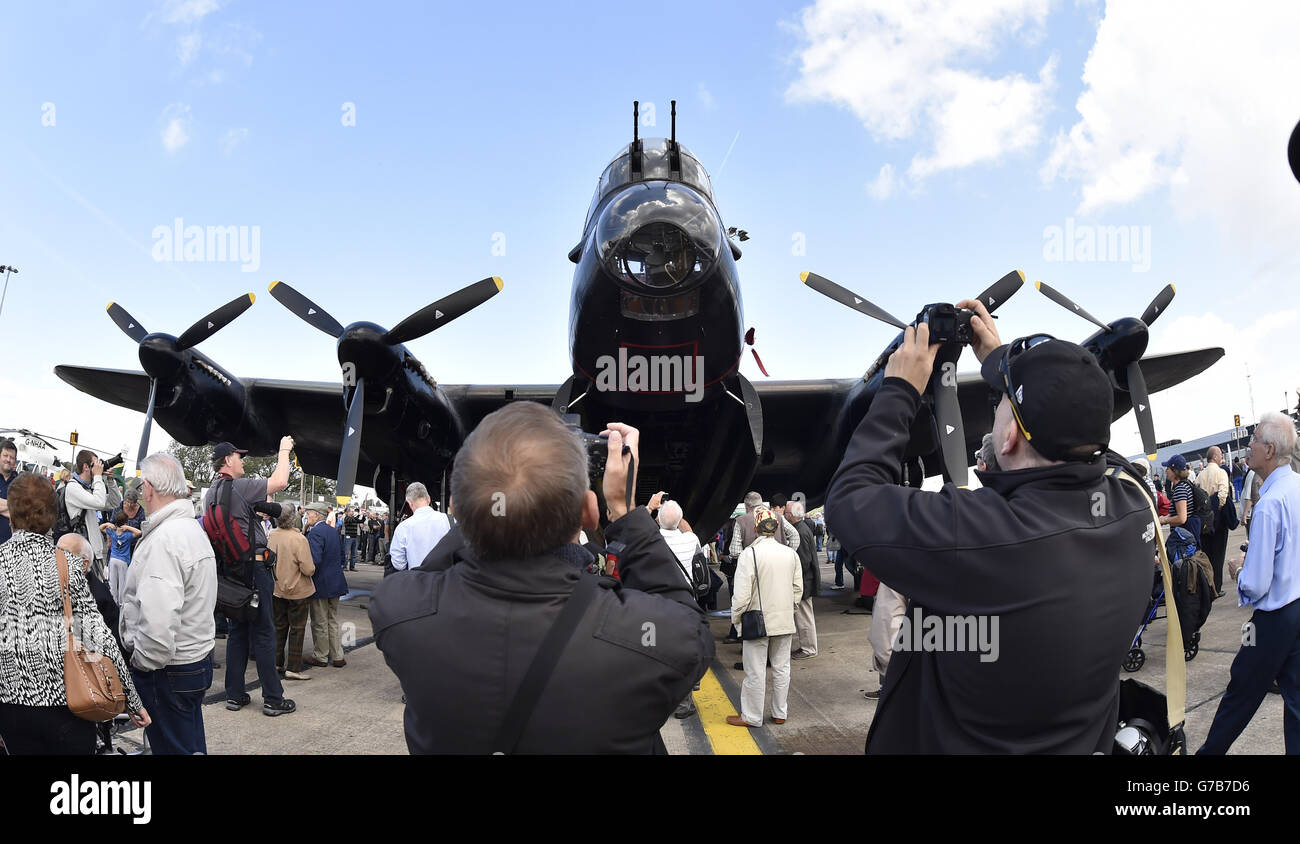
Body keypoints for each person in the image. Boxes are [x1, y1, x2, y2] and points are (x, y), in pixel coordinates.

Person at [826, 302, 1153, 754]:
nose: (993, 406)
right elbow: (1090, 447)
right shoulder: (1135, 507)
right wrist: (1009, 366)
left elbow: (849, 501)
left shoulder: (980, 533)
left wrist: (899, 388)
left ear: (1009, 437)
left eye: (999, 401)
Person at [370, 403, 712, 753]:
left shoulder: (397, 609)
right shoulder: (650, 638)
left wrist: (480, 508)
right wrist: (624, 511)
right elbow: (690, 627)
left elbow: (426, 574)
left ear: (458, 506)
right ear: (590, 513)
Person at [0, 473, 149, 753]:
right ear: (51, 518)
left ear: (12, 516)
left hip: (10, 707)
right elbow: (99, 637)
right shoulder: (67, 563)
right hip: (67, 702)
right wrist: (132, 700)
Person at [1199, 413, 1300, 753]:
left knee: (1240, 691)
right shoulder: (1297, 487)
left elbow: (1257, 584)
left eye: (1254, 439)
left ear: (1269, 450)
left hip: (1272, 619)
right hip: (1297, 607)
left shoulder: (1270, 503)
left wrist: (1239, 572)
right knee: (1296, 701)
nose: (1249, 445)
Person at [119, 453, 217, 755]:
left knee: (173, 747)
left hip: (168, 669)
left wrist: (142, 665)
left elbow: (158, 622)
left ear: (148, 488)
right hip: (192, 660)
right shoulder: (189, 529)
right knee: (188, 743)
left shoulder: (166, 539)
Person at [204, 439, 298, 717]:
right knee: (266, 632)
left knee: (238, 632)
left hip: (232, 571)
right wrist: (283, 449)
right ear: (228, 461)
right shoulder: (239, 486)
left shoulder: (211, 493)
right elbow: (280, 481)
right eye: (239, 457)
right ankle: (272, 698)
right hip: (256, 569)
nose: (243, 461)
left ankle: (234, 694)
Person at [726, 506, 802, 728]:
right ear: (776, 527)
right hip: (784, 620)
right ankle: (780, 713)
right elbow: (797, 589)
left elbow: (740, 596)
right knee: (782, 668)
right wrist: (790, 609)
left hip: (756, 621)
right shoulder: (790, 554)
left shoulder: (749, 554)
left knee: (755, 671)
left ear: (756, 529)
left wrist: (736, 619)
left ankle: (751, 716)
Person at [268, 503, 316, 681]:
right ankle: (293, 668)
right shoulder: (299, 539)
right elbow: (308, 569)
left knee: (278, 627)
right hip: (298, 591)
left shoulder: (271, 536)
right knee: (297, 629)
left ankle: (276, 662)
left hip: (276, 589)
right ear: (293, 518)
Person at [63, 450, 123, 575]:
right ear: (86, 467)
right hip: (82, 556)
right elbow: (99, 502)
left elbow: (115, 503)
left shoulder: (87, 488)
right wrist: (98, 477)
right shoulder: (73, 488)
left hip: (94, 552)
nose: (98, 467)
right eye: (95, 464)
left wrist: (111, 481)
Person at [304, 503, 349, 668]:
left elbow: (314, 561)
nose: (307, 515)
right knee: (332, 620)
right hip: (336, 581)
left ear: (317, 515)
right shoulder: (332, 531)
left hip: (321, 583)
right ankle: (337, 655)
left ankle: (321, 656)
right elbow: (342, 556)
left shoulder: (315, 533)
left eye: (309, 513)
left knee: (319, 621)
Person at [389, 483, 451, 571]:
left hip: (416, 581)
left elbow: (398, 564)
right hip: (445, 581)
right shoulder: (449, 521)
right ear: (428, 499)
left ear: (409, 503)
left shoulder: (403, 527)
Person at [1197, 446, 1233, 593]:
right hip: (1217, 521)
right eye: (1221, 455)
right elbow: (1223, 494)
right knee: (1218, 555)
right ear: (1216, 457)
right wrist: (1217, 511)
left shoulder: (1200, 475)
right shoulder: (1221, 472)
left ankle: (1209, 585)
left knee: (1207, 554)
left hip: (1203, 520)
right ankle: (1216, 587)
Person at [788, 500, 819, 659]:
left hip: (804, 581)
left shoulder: (799, 532)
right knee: (804, 616)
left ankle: (808, 649)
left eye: (787, 513)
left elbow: (804, 561)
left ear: (793, 515)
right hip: (806, 580)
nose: (785, 515)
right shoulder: (801, 529)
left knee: (804, 617)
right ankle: (807, 647)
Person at [99, 511, 141, 607]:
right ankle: (122, 604)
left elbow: (100, 528)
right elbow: (139, 532)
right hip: (123, 561)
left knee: (112, 583)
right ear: (126, 522)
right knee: (123, 584)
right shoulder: (127, 535)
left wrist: (107, 524)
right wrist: (128, 528)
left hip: (113, 560)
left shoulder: (112, 532)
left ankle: (113, 603)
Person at [1160, 455, 1198, 536]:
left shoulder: (1180, 489)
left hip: (1182, 537)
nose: (1166, 471)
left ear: (1175, 471)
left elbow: (1181, 518)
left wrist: (1164, 520)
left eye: (1168, 468)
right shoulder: (1186, 484)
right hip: (1188, 534)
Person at [0, 439, 18, 543]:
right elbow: (18, 511)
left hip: (11, 548)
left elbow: (24, 512)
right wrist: (13, 508)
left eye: (12, 457)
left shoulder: (20, 483)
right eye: (5, 455)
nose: (8, 459)